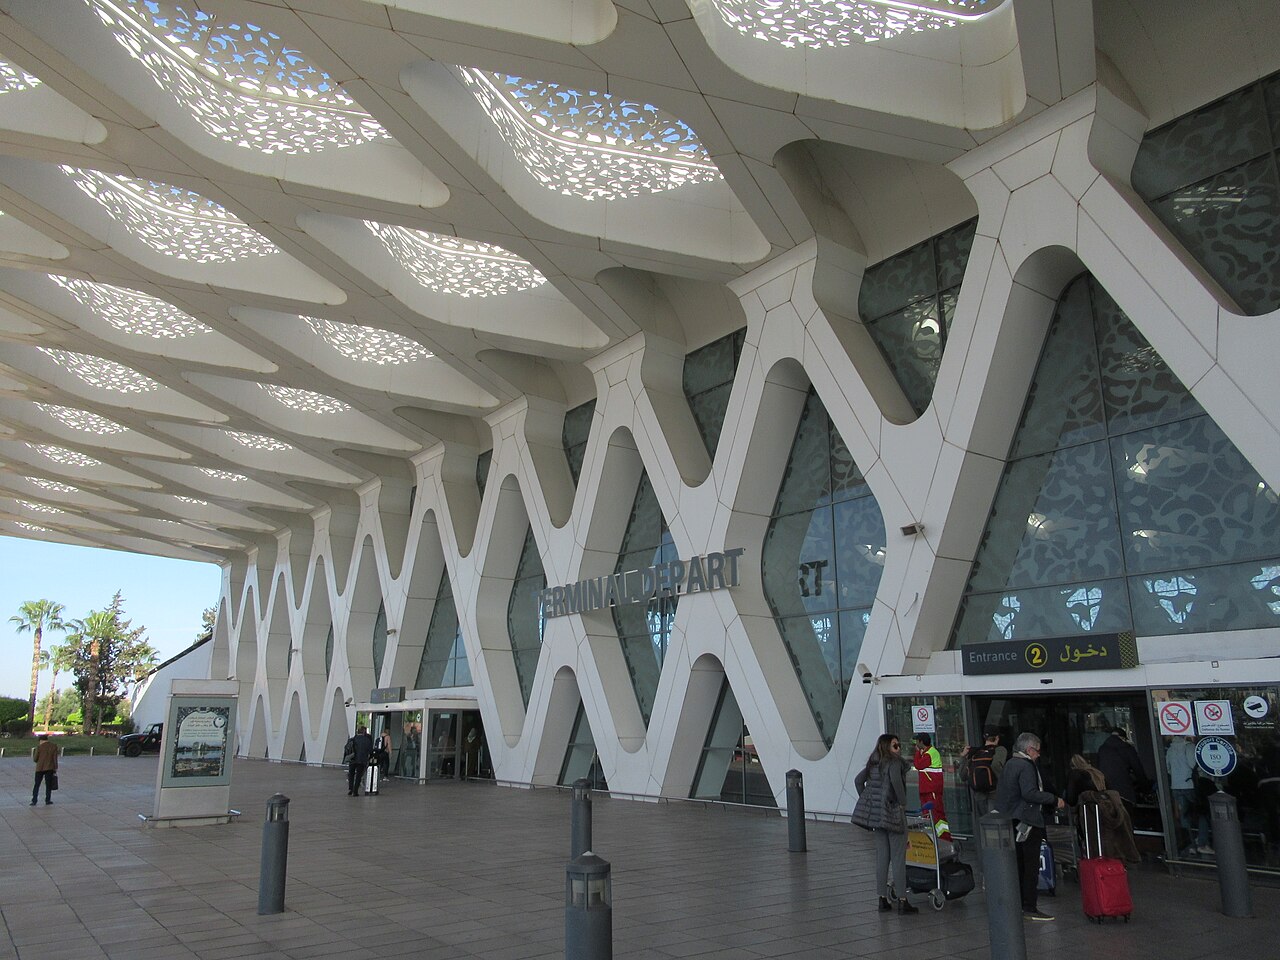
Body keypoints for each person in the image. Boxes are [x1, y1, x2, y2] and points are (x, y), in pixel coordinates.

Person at [993, 731, 1065, 922]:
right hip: (1028, 821)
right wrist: (1053, 799)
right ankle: (1029, 906)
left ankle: (1017, 904)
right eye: (1037, 751)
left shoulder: (1009, 764)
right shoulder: (1026, 766)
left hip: (1011, 820)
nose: (1039, 755)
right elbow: (1030, 793)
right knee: (1030, 866)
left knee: (1018, 864)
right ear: (1029, 749)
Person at [852, 733, 919, 915]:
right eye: (895, 745)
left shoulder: (873, 763)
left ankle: (882, 899)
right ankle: (903, 901)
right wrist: (903, 802)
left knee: (882, 857)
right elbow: (897, 782)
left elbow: (858, 781)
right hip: (893, 814)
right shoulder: (894, 763)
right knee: (898, 858)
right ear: (888, 747)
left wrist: (869, 800)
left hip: (877, 817)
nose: (899, 748)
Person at [1166, 737, 1212, 856]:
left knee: (1184, 817)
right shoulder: (1188, 746)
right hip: (1190, 784)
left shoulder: (1170, 749)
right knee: (1202, 812)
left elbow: (1168, 768)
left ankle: (1190, 845)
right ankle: (1202, 843)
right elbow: (1194, 764)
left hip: (1176, 785)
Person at [958, 728, 1007, 820]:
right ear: (997, 738)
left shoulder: (975, 752)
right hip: (994, 794)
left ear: (985, 738)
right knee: (996, 824)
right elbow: (996, 765)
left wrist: (963, 756)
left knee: (984, 825)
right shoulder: (1000, 750)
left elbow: (962, 776)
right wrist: (1003, 783)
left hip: (979, 796)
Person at [1097, 727, 1147, 813]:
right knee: (1127, 815)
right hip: (1125, 789)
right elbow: (1138, 769)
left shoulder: (1102, 749)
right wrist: (1145, 787)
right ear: (1122, 738)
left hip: (1107, 789)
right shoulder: (1127, 748)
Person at [912, 732, 949, 840]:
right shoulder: (927, 753)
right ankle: (930, 838)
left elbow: (918, 765)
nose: (916, 743)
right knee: (927, 816)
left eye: (917, 741)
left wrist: (918, 752)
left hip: (932, 790)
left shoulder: (930, 753)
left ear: (921, 742)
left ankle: (944, 838)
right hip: (926, 790)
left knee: (937, 815)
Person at [347, 725, 374, 796]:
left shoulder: (352, 739)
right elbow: (371, 751)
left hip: (352, 759)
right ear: (364, 732)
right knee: (358, 775)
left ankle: (350, 788)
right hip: (361, 760)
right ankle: (355, 791)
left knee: (351, 774)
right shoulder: (367, 740)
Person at [31, 733, 58, 806]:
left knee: (37, 784)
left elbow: (35, 759)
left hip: (39, 768)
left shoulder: (39, 747)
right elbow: (55, 758)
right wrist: (55, 768)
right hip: (50, 768)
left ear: (41, 740)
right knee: (48, 785)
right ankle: (48, 800)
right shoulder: (53, 746)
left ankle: (34, 800)